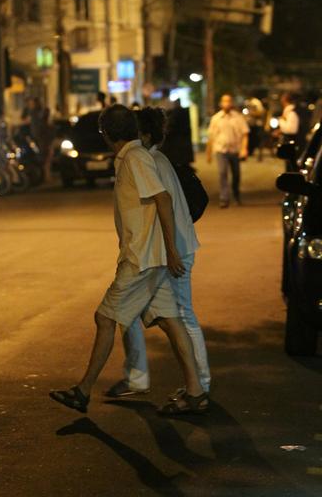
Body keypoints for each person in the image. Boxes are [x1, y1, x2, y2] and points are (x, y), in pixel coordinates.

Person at [50, 104, 208, 416]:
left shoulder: (136, 158)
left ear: (105, 134)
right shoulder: (138, 157)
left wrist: (172, 252)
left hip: (143, 260)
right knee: (171, 321)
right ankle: (195, 391)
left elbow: (162, 198)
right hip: (153, 258)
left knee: (106, 318)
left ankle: (83, 390)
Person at [106, 107, 211, 399]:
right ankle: (137, 377)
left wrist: (171, 252)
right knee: (130, 311)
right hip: (162, 251)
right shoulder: (147, 159)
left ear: (145, 135)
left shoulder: (147, 160)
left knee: (181, 316)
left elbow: (163, 205)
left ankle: (199, 385)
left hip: (171, 251)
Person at [207, 94, 249, 208]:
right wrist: (208, 153)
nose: (227, 103)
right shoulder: (216, 118)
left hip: (235, 150)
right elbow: (211, 136)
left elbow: (245, 134)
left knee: (236, 174)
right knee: (222, 173)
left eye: (229, 101)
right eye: (224, 101)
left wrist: (244, 149)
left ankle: (236, 195)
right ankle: (224, 198)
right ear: (221, 103)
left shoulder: (238, 117)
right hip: (221, 150)